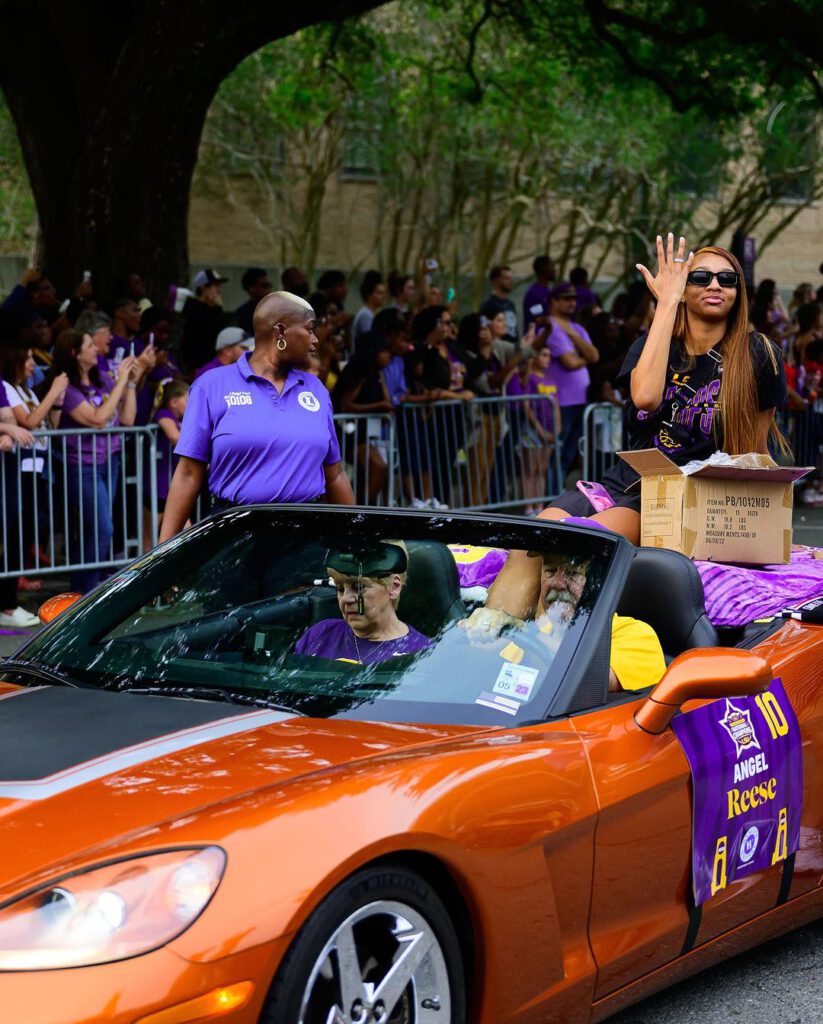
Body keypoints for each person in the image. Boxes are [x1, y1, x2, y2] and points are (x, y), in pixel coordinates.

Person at [539, 234, 789, 542]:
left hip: (688, 499)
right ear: (683, 289)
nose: (715, 285)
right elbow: (645, 398)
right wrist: (667, 301)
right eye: (700, 277)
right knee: (537, 535)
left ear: (738, 292)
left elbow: (756, 452)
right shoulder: (651, 347)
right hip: (626, 483)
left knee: (579, 540)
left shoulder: (759, 353)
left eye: (727, 279)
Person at [159, 291, 354, 542]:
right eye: (310, 329)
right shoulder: (211, 386)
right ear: (281, 332)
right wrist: (163, 552)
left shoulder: (315, 389)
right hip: (234, 535)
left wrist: (356, 539)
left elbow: (335, 474)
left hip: (303, 536)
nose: (315, 340)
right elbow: (188, 474)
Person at [461, 545, 665, 692]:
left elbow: (594, 679)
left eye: (573, 573)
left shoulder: (635, 634)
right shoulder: (539, 630)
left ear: (602, 582)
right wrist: (469, 634)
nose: (557, 583)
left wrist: (523, 632)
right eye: (550, 571)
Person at [48, 328, 138, 592]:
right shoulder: (70, 387)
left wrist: (130, 382)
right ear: (75, 353)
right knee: (102, 528)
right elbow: (98, 419)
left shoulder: (101, 380)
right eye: (89, 346)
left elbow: (129, 418)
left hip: (109, 460)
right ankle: (86, 593)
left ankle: (82, 591)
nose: (95, 350)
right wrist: (121, 380)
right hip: (82, 464)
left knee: (94, 529)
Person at [295, 541, 432, 663]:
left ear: (394, 587)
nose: (346, 599)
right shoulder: (319, 636)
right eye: (340, 588)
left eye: (359, 587)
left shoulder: (422, 654)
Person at [540, 281, 599, 482]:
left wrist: (572, 335)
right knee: (557, 453)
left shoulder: (576, 328)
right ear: (553, 301)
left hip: (579, 400)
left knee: (570, 453)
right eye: (566, 298)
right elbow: (570, 362)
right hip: (560, 402)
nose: (572, 302)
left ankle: (557, 493)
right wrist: (581, 357)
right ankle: (551, 497)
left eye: (574, 298)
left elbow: (594, 356)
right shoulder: (549, 327)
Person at [331, 331, 392, 504]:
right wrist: (377, 407)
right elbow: (347, 405)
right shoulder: (359, 371)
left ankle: (361, 506)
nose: (388, 355)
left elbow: (387, 401)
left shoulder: (375, 372)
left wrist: (381, 378)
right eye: (384, 351)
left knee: (371, 471)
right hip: (347, 432)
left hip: (362, 433)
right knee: (378, 466)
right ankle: (361, 509)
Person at [505, 345, 556, 515]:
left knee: (541, 469)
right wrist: (539, 430)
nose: (547, 358)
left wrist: (558, 427)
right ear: (535, 358)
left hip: (550, 429)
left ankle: (539, 506)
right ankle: (528, 507)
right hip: (533, 429)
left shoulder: (550, 379)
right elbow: (526, 404)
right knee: (529, 469)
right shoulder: (530, 378)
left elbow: (555, 405)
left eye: (548, 355)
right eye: (543, 354)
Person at [144, 378, 189, 550]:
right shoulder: (163, 414)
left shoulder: (178, 418)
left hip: (168, 483)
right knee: (150, 533)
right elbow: (174, 436)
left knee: (183, 528)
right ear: (174, 402)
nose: (190, 404)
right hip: (158, 483)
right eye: (187, 400)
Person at [181, 269, 230, 371]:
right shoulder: (194, 309)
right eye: (216, 286)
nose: (219, 290)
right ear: (204, 288)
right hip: (199, 366)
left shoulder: (212, 309)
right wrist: (218, 309)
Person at [480, 265, 518, 341]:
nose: (511, 281)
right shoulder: (488, 305)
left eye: (511, 278)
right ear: (496, 281)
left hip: (513, 348)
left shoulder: (510, 304)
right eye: (507, 278)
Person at [234, 268, 272, 336]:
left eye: (270, 285)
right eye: (265, 286)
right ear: (252, 288)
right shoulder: (243, 313)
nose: (269, 289)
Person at [522, 255, 556, 330]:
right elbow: (539, 319)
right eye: (552, 266)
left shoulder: (549, 291)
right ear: (543, 269)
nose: (555, 269)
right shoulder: (534, 293)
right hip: (536, 339)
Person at [352, 270, 386, 341]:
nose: (383, 296)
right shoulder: (365, 315)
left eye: (384, 293)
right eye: (379, 293)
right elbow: (371, 339)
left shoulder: (374, 313)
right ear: (369, 295)